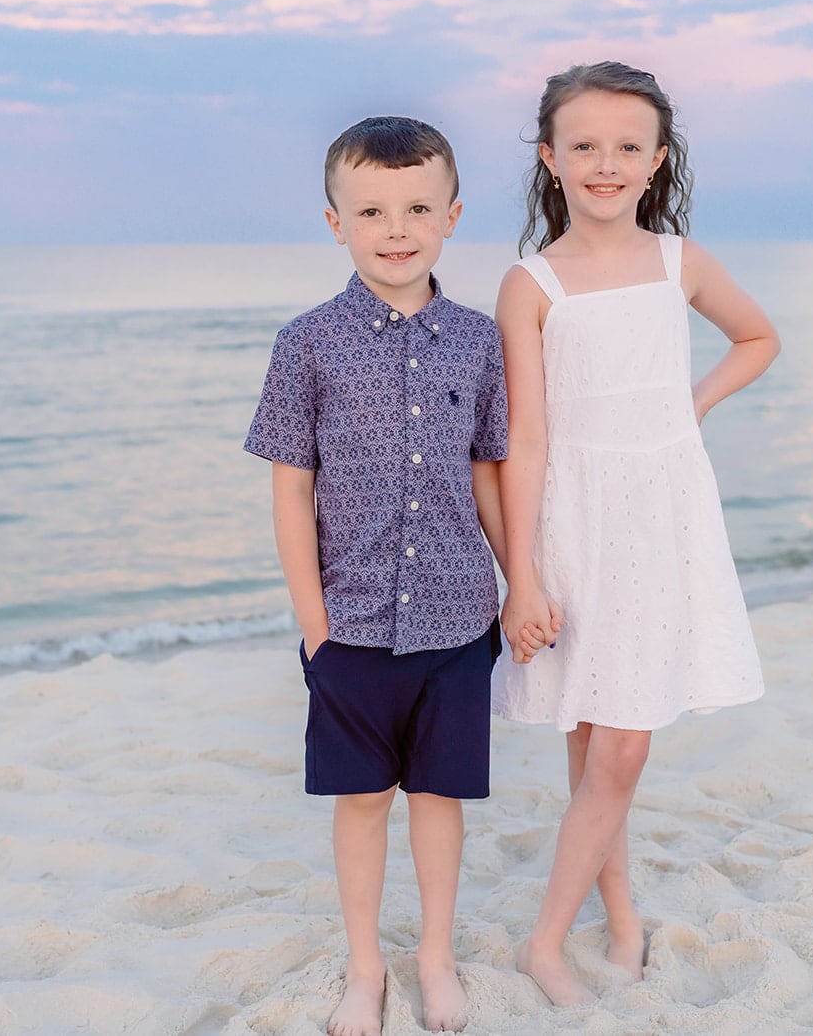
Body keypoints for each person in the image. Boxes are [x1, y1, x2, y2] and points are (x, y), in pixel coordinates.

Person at [493, 61, 782, 1007]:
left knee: (618, 747)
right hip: (575, 519)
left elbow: (758, 338)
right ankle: (592, 928)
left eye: (627, 147)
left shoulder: (679, 262)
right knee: (595, 747)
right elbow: (525, 437)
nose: (605, 163)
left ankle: (572, 934)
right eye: (584, 146)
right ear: (551, 158)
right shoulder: (531, 283)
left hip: (661, 519)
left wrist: (683, 410)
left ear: (657, 161)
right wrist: (524, 577)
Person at [245, 115, 516, 1036]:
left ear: (450, 216)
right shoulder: (307, 342)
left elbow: (489, 474)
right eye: (371, 210)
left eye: (416, 208)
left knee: (439, 797)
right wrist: (313, 624)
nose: (395, 228)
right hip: (351, 623)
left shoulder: (478, 340)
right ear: (336, 223)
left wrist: (521, 582)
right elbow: (291, 493)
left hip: (456, 617)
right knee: (362, 799)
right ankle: (366, 967)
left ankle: (434, 956)